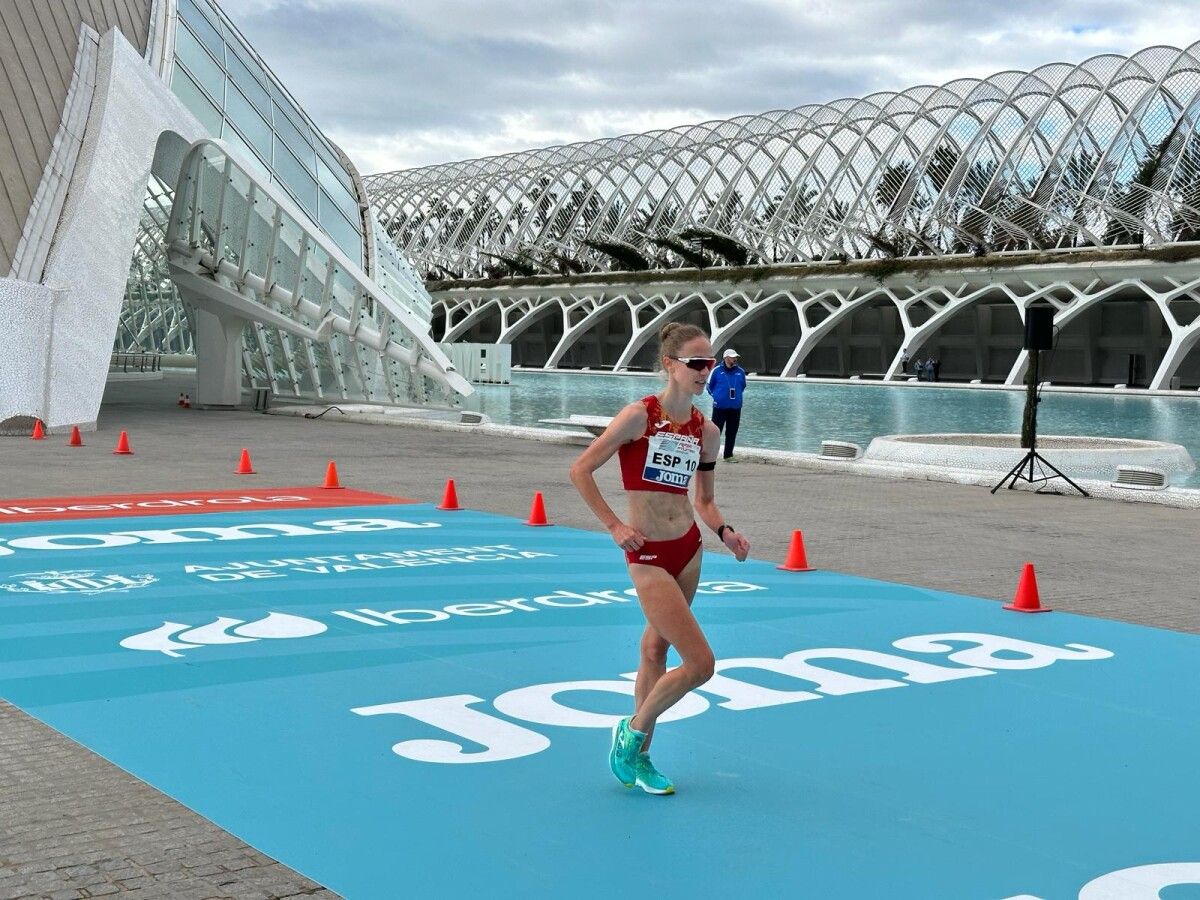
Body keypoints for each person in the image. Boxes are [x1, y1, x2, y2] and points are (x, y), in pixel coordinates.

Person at [569, 322, 750, 795]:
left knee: (655, 650)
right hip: (646, 552)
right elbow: (581, 469)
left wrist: (725, 532)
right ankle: (631, 731)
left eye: (709, 363)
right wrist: (614, 525)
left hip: (688, 548)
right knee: (701, 664)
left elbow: (704, 500)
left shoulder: (705, 432)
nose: (705, 371)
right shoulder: (638, 417)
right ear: (670, 365)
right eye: (697, 363)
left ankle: (642, 757)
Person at [706, 348, 747, 462]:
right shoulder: (716, 371)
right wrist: (716, 396)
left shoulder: (741, 372)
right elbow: (709, 386)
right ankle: (710, 456)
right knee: (715, 432)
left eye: (735, 357)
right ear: (726, 358)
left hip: (735, 407)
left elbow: (743, 386)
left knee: (732, 432)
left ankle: (728, 455)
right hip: (720, 407)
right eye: (733, 357)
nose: (735, 359)